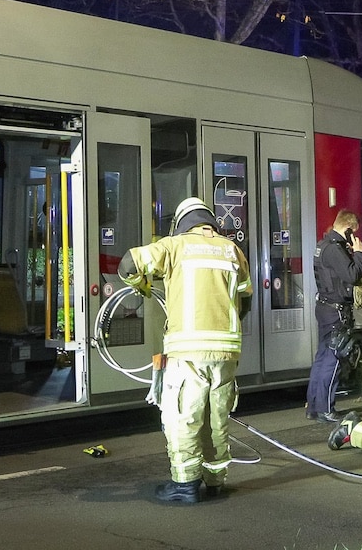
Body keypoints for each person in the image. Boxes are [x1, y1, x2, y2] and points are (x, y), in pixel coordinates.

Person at [119, 197, 253, 504]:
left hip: (189, 351)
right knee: (216, 419)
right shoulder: (232, 249)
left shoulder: (173, 246)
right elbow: (245, 296)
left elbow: (128, 264)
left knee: (183, 416)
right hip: (226, 352)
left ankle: (184, 484)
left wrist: (141, 285)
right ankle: (216, 480)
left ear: (181, 222)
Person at [308, 209, 362, 423]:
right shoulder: (334, 249)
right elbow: (352, 274)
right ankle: (326, 409)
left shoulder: (324, 245)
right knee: (332, 361)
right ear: (348, 229)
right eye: (354, 233)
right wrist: (358, 253)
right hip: (335, 312)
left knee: (322, 358)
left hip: (325, 308)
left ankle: (315, 407)